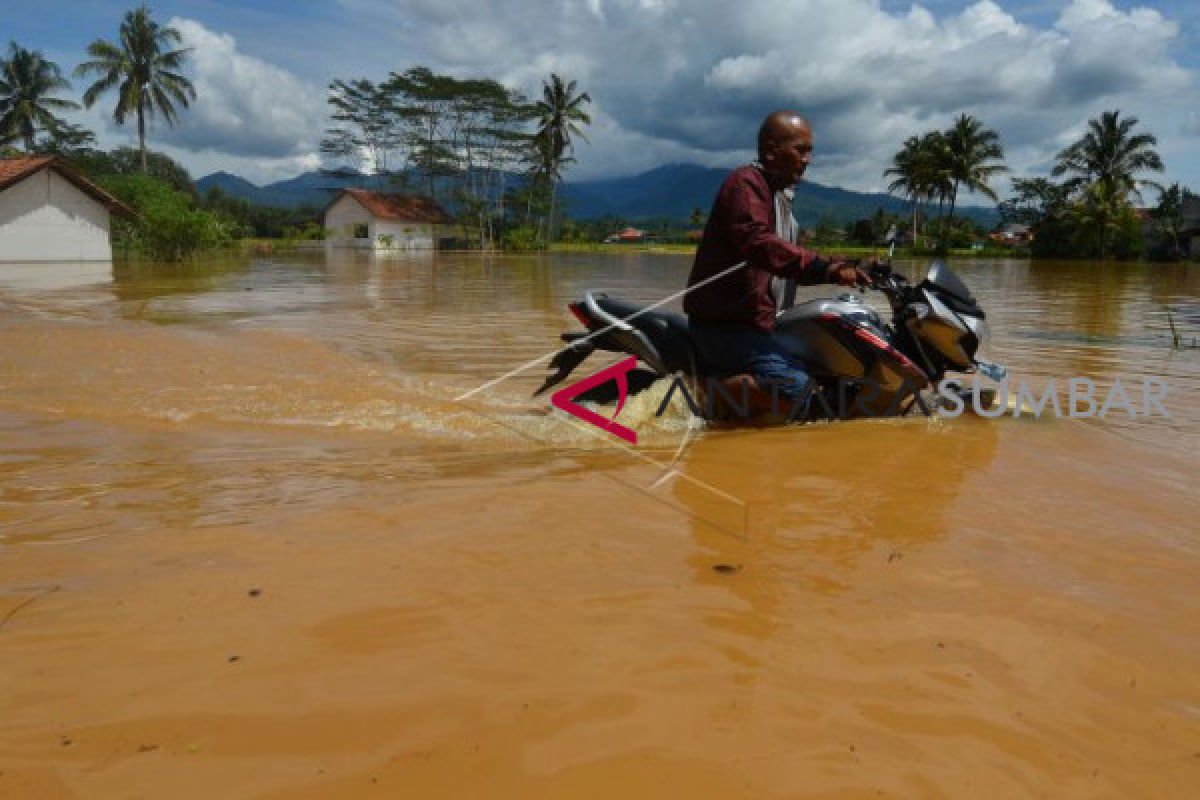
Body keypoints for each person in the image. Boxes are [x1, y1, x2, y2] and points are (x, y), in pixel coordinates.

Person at [683, 110, 869, 413]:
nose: (807, 160)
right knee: (796, 388)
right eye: (800, 150)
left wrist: (847, 266)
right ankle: (688, 396)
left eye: (810, 152)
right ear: (771, 150)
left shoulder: (780, 200)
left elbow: (788, 263)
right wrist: (828, 268)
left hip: (759, 324)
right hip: (725, 326)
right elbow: (759, 243)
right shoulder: (746, 184)